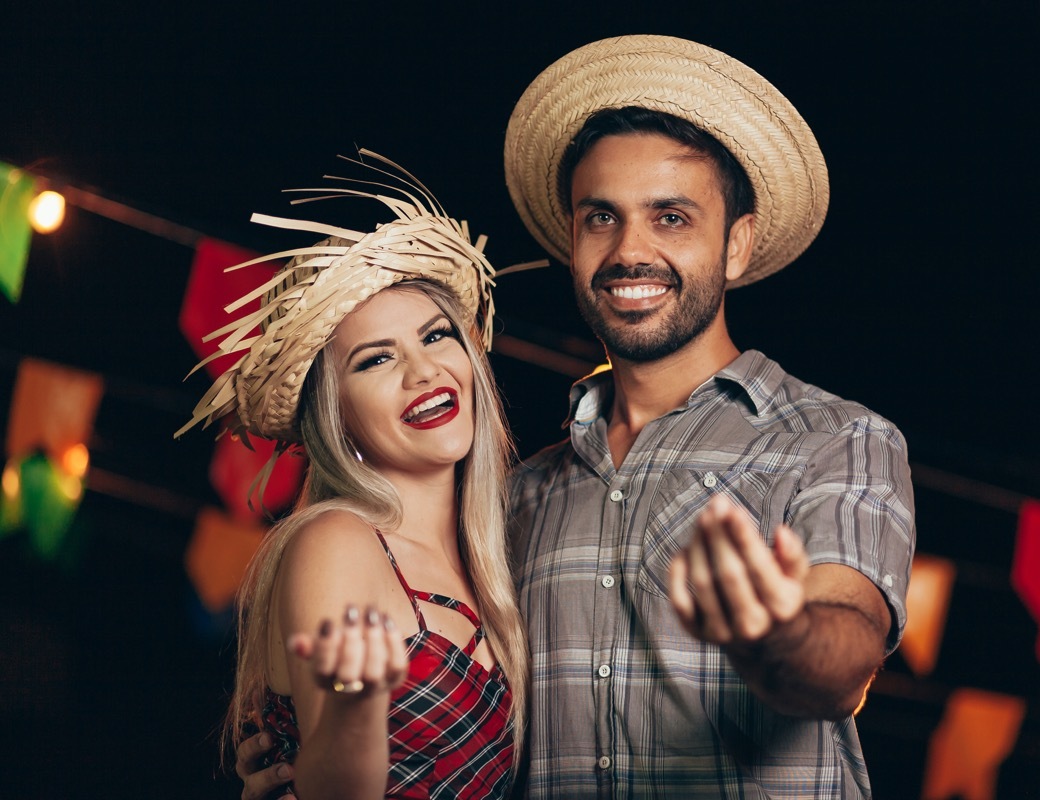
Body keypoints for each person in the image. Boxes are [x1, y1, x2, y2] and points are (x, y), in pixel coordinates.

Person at [240, 35, 915, 799]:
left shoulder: (835, 439)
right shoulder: (515, 506)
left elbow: (845, 656)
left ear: (737, 244)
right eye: (601, 216)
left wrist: (774, 638)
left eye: (670, 218)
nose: (630, 250)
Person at [179, 150, 530, 799]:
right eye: (375, 360)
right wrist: (353, 713)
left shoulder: (498, 556)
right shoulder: (336, 540)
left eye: (434, 336)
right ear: (336, 416)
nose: (423, 371)